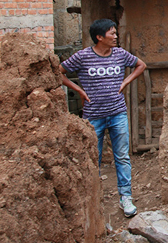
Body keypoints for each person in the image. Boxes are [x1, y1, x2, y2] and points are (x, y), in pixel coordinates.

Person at [61, 19, 146, 217]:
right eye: (111, 34)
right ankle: (95, 200)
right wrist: (78, 90)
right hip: (93, 117)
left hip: (118, 113)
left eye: (116, 33)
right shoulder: (83, 57)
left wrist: (125, 82)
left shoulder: (120, 54)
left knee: (122, 157)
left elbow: (141, 65)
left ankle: (126, 197)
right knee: (93, 159)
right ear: (99, 37)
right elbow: (59, 72)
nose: (115, 37)